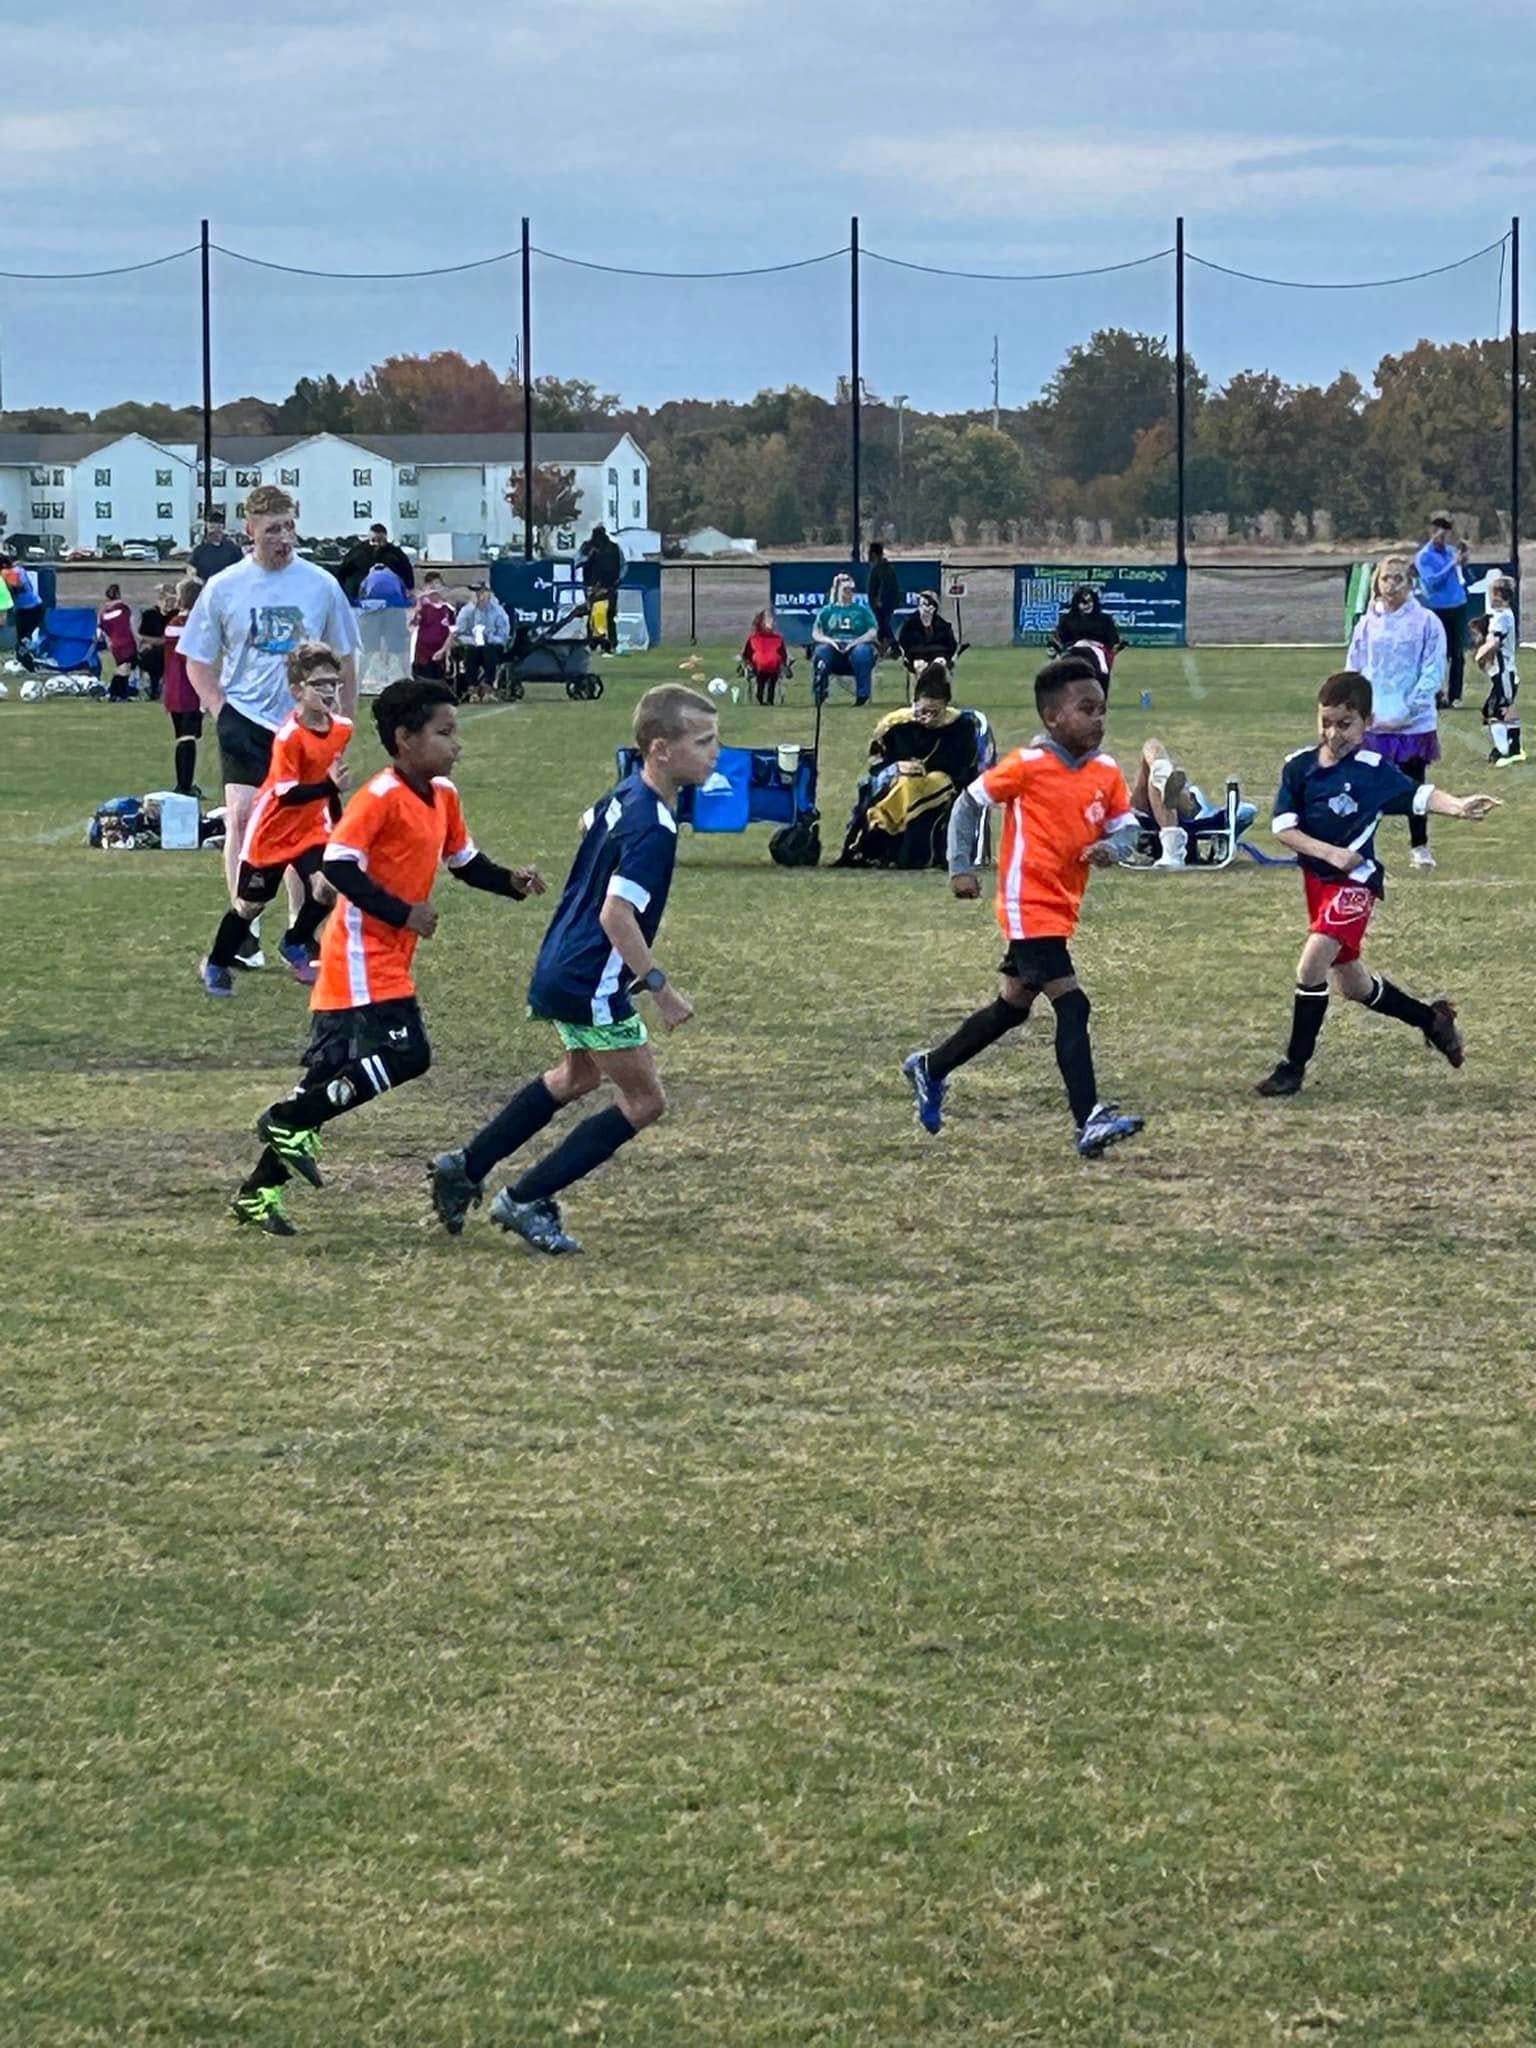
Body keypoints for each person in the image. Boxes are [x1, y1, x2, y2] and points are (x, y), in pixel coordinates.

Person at [229, 677, 546, 1236]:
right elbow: (339, 865)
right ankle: (284, 1120)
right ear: (404, 738)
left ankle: (258, 1192)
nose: (457, 745)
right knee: (407, 1057)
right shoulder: (379, 796)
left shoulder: (443, 796)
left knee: (326, 1079)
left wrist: (511, 882)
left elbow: (465, 862)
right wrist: (404, 913)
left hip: (387, 957)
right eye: (444, 733)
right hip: (359, 956)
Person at [426, 683, 721, 1258]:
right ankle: (526, 1198)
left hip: (562, 962)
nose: (715, 753)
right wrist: (660, 988)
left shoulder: (628, 795)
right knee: (645, 1102)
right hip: (592, 981)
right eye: (704, 741)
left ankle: (466, 1166)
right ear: (660, 749)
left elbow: (589, 822)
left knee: (577, 1076)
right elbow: (616, 916)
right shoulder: (654, 827)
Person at [901, 654, 1145, 1159]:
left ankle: (930, 1067)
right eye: (1086, 709)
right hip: (1027, 902)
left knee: (1012, 1007)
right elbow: (969, 803)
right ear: (1053, 717)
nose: (1099, 719)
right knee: (1072, 1003)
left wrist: (1113, 848)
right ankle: (1089, 1119)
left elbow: (1127, 825)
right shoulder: (1028, 765)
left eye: (1102, 709)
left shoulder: (1105, 770)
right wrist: (960, 866)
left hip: (1062, 904)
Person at [1254, 668, 1499, 1099]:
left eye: (1345, 724)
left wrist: (1459, 806)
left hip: (1356, 883)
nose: (1334, 733)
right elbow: (1282, 827)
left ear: (1366, 723)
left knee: (1310, 967)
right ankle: (1431, 1020)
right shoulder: (1298, 767)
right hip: (1319, 881)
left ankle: (1292, 1068)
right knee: (1354, 985)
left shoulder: (1373, 770)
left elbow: (1419, 796)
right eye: (1326, 722)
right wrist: (1329, 853)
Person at [180, 483, 361, 971]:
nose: (283, 538)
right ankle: (245, 929)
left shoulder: (320, 584)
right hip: (247, 720)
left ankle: (300, 934)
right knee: (241, 816)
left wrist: (343, 721)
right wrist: (221, 709)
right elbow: (197, 660)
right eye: (273, 529)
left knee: (303, 827)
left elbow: (344, 658)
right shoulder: (224, 586)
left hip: (305, 725)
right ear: (250, 531)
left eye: (289, 527)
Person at [199, 642, 354, 997]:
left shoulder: (341, 729)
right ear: (297, 690)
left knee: (327, 885)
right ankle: (216, 962)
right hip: (273, 831)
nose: (329, 692)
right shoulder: (289, 736)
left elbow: (327, 789)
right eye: (320, 685)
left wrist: (340, 826)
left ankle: (296, 941)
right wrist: (329, 786)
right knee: (249, 905)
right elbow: (286, 793)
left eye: (334, 683)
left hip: (312, 827)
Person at [1345, 553, 1445, 872]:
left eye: (1398, 578)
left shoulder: (1426, 621)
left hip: (1412, 722)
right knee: (1365, 787)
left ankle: (1420, 847)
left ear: (1410, 582)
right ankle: (1361, 848)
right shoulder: (1367, 623)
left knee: (1414, 787)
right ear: (1377, 581)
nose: (1391, 585)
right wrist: (1356, 704)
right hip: (1374, 722)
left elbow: (1433, 666)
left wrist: (1414, 703)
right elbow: (1356, 663)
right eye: (1386, 578)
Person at [836, 664, 983, 869]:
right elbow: (876, 763)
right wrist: (897, 767)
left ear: (946, 706)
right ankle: (883, 839)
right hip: (897, 781)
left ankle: (878, 831)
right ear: (913, 702)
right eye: (922, 711)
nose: (928, 718)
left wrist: (924, 769)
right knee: (904, 785)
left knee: (917, 786)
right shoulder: (895, 724)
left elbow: (964, 768)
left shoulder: (960, 726)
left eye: (935, 712)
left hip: (944, 784)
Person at [1414, 512, 1469, 708]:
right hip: (1436, 608)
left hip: (1457, 605)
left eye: (1445, 529)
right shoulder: (1424, 556)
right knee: (1437, 654)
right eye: (1438, 528)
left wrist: (1462, 561)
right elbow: (1431, 581)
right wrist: (1451, 565)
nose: (1442, 533)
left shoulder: (1450, 551)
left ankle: (1455, 696)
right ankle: (1437, 694)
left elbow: (1461, 575)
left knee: (1457, 654)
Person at [1473, 576, 1522, 766]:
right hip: (1504, 673)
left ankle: (1503, 751)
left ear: (1503, 596)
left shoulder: (1502, 617)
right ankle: (1514, 746)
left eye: (1495, 595)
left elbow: (1494, 643)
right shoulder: (1502, 614)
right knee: (1504, 707)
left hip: (1504, 672)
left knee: (1494, 710)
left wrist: (1480, 655)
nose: (1491, 598)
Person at [161, 575, 204, 796]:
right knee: (188, 736)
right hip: (191, 688)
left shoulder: (172, 623)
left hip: (173, 688)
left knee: (183, 736)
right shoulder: (194, 625)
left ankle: (185, 783)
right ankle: (184, 785)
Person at [811, 571, 879, 706]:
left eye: (851, 590)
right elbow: (816, 633)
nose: (849, 592)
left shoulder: (862, 610)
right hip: (834, 650)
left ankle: (862, 696)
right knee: (822, 652)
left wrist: (855, 642)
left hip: (855, 648)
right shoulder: (827, 611)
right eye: (846, 589)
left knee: (862, 652)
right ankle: (820, 692)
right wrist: (830, 641)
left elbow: (872, 632)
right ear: (838, 590)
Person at [443, 581, 510, 700]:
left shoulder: (498, 611)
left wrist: (489, 637)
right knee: (471, 651)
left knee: (489, 650)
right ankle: (472, 687)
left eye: (481, 592)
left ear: (489, 593)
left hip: (492, 646)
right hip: (472, 645)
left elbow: (503, 636)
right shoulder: (467, 611)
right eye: (476, 592)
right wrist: (472, 640)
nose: (478, 595)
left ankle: (488, 686)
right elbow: (459, 633)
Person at [337, 522, 415, 604]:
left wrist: (410, 587)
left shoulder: (395, 553)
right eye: (373, 540)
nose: (377, 544)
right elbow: (343, 572)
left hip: (391, 600)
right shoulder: (358, 552)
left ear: (386, 538)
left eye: (380, 541)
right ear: (369, 538)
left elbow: (407, 571)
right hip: (361, 600)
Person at [1050, 584, 1123, 671]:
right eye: (1083, 602)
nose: (1088, 605)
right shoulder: (1067, 619)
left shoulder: (1105, 619)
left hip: (1098, 649)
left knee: (1103, 670)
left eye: (1090, 601)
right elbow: (1059, 639)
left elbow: (1112, 640)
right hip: (1073, 649)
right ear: (1077, 603)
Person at [896, 590, 958, 689]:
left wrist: (946, 658)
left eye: (927, 605)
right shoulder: (909, 625)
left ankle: (939, 697)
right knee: (920, 666)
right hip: (916, 657)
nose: (924, 609)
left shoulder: (944, 626)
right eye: (921, 605)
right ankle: (920, 697)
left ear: (934, 608)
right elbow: (904, 644)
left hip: (939, 656)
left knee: (938, 666)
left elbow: (951, 646)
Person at [580, 524, 624, 653]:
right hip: (593, 588)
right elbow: (578, 562)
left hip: (608, 588)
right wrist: (589, 556)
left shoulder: (614, 548)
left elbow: (622, 567)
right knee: (593, 616)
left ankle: (609, 644)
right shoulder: (587, 548)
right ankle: (593, 643)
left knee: (608, 616)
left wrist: (616, 583)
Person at [411, 571, 457, 682]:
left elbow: (452, 633)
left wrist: (443, 650)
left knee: (437, 683)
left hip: (439, 654)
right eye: (431, 586)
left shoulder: (448, 609)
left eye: (438, 585)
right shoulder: (423, 607)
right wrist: (418, 603)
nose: (435, 589)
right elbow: (413, 624)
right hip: (422, 654)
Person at [740, 608, 790, 705]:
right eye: (769, 620)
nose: (772, 622)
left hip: (769, 667)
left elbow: (783, 654)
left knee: (768, 675)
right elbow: (747, 654)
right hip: (761, 667)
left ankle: (765, 698)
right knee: (765, 674)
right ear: (761, 622)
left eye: (772, 620)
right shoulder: (754, 638)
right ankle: (764, 697)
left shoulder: (777, 639)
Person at [99, 583, 139, 700]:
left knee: (123, 666)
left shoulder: (104, 613)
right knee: (125, 668)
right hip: (127, 641)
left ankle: (120, 693)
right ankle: (116, 692)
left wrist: (109, 642)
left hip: (115, 643)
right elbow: (132, 625)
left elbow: (104, 630)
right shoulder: (124, 609)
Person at [864, 541, 902, 655]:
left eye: (869, 553)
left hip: (883, 604)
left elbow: (884, 585)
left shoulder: (882, 568)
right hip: (879, 604)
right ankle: (883, 648)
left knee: (883, 625)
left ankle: (895, 648)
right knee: (881, 626)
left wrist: (879, 600)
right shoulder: (881, 567)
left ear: (874, 554)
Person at [137, 586, 170, 703]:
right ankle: (155, 689)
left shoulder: (175, 615)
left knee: (163, 653)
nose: (166, 604)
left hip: (169, 651)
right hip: (153, 651)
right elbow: (141, 637)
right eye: (163, 600)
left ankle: (156, 690)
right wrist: (157, 641)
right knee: (155, 655)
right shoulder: (149, 615)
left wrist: (160, 642)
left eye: (168, 600)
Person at [190, 512, 243, 583]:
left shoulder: (232, 549)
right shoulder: (199, 550)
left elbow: (241, 567)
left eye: (219, 528)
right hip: (206, 589)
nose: (215, 531)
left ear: (223, 528)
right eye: (212, 528)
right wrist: (194, 577)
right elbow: (191, 568)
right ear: (207, 529)